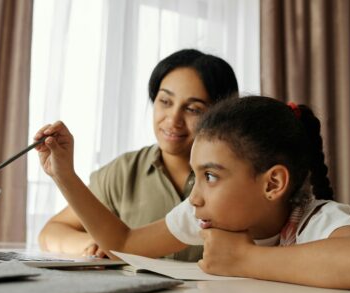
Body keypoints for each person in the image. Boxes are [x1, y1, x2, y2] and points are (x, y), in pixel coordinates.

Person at [35, 96, 350, 290]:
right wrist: (64, 175)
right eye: (196, 176)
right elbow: (125, 241)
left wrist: (243, 259)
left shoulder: (316, 219)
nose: (194, 196)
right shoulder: (203, 215)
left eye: (210, 176)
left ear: (272, 184)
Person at [37, 49, 239, 261]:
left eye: (193, 109)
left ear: (220, 114)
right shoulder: (124, 172)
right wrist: (93, 243)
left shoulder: (234, 179)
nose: (173, 120)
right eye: (165, 102)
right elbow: (51, 232)